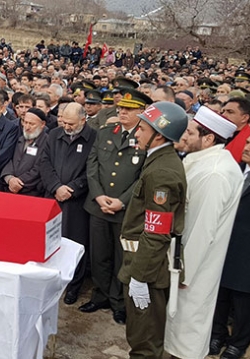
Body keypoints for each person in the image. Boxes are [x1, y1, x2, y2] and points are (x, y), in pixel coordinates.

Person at [164, 106, 243, 359]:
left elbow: (201, 229)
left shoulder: (214, 173)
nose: (182, 136)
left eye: (189, 132)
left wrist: (183, 275)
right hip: (183, 262)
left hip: (192, 268)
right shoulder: (204, 161)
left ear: (208, 139)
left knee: (187, 330)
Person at [118, 101, 188, 359]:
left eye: (142, 128)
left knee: (144, 341)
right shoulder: (158, 161)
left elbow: (157, 231)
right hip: (143, 262)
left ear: (158, 134)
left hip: (148, 267)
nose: (136, 133)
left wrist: (140, 277)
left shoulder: (162, 172)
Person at [79, 88, 151, 325]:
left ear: (142, 112)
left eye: (129, 110)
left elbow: (143, 176)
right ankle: (99, 296)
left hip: (125, 210)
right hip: (98, 206)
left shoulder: (146, 138)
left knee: (122, 258)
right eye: (121, 108)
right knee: (99, 256)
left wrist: (122, 201)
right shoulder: (106, 132)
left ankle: (118, 302)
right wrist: (99, 196)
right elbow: (92, 166)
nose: (122, 112)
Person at [209, 129, 250, 359]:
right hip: (224, 246)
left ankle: (238, 343)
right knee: (220, 294)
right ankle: (216, 334)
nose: (246, 147)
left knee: (246, 301)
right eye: (247, 142)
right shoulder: (233, 169)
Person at [40, 102, 96, 304]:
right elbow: (44, 162)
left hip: (76, 201)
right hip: (53, 196)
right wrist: (55, 186)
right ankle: (50, 281)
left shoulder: (93, 138)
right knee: (51, 240)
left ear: (83, 120)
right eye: (64, 121)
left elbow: (92, 171)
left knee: (74, 243)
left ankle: (73, 286)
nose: (67, 126)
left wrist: (72, 189)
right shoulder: (55, 134)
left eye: (71, 123)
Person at [1, 108, 49, 196]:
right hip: (10, 189)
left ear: (42, 124)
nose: (27, 127)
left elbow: (39, 168)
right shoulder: (19, 139)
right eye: (25, 122)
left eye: (31, 124)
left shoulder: (47, 143)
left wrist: (19, 182)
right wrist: (10, 178)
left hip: (32, 192)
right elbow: (8, 159)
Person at [222, 97, 250, 162]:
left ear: (244, 118)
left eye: (230, 112)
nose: (224, 115)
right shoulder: (215, 133)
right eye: (223, 111)